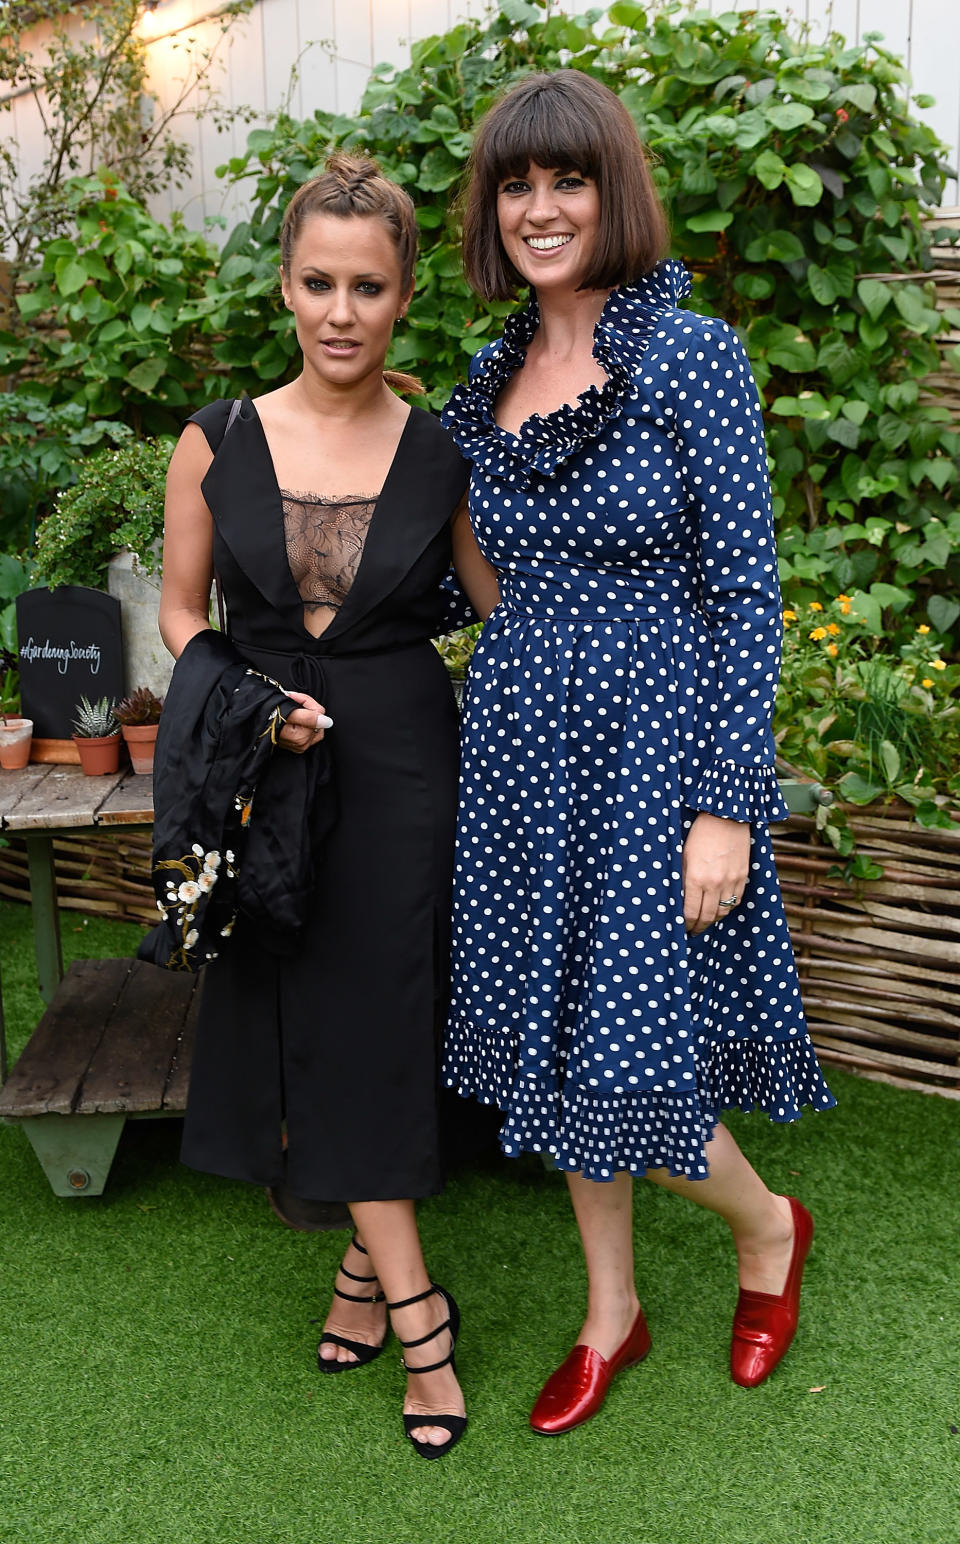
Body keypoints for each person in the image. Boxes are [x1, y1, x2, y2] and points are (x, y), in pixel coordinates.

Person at [441, 71, 836, 1434]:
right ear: (493, 207)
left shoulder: (691, 356)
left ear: (615, 193)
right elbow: (462, 573)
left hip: (655, 763)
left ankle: (767, 1225)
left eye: (568, 180)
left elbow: (746, 591)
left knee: (637, 1060)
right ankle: (612, 1312)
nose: (541, 208)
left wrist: (726, 803)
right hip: (522, 762)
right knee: (560, 1051)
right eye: (516, 183)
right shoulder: (488, 378)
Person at [155, 154, 483, 1459]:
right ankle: (391, 1281)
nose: (340, 311)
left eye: (368, 286)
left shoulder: (446, 449)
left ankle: (410, 1315)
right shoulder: (215, 439)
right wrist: (249, 706)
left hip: (406, 770)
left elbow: (505, 614)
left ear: (405, 297)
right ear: (284, 286)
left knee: (376, 1026)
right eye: (317, 282)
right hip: (258, 771)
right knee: (301, 1025)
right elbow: (184, 614)